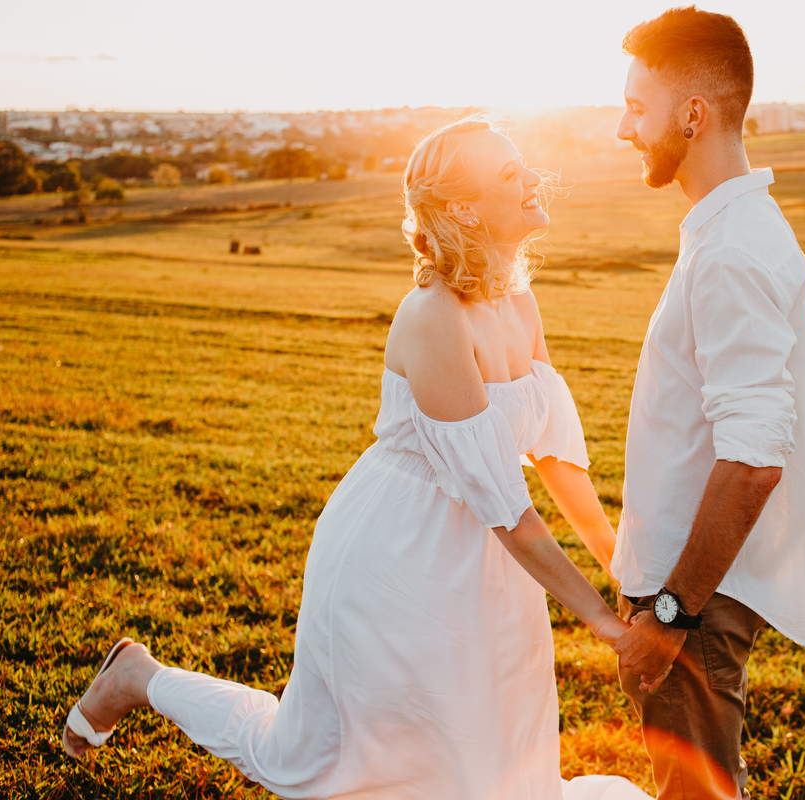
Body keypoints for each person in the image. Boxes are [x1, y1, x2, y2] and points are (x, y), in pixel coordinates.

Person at [60, 116, 658, 800]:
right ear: (464, 209)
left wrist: (620, 567)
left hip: (490, 569)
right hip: (398, 556)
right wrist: (605, 625)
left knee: (492, 760)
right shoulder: (433, 317)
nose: (531, 179)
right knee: (317, 757)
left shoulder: (517, 298)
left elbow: (553, 455)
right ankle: (139, 678)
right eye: (508, 173)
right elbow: (506, 508)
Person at [609, 7, 805, 800]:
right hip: (690, 594)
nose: (623, 129)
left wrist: (669, 614)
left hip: (694, 603)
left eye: (636, 107)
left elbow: (753, 462)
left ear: (693, 114)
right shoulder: (727, 231)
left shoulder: (733, 250)